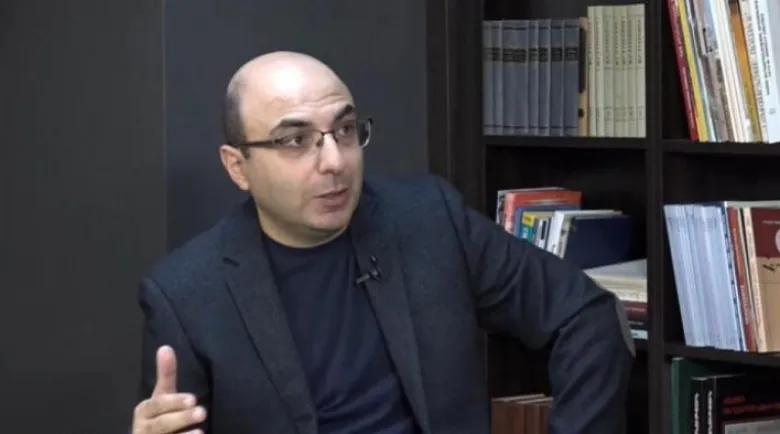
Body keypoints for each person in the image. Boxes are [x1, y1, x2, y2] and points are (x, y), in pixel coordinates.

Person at [130, 51, 635, 434]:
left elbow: (586, 316)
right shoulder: (186, 295)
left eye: (345, 130)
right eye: (295, 141)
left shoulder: (431, 220)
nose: (334, 162)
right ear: (238, 167)